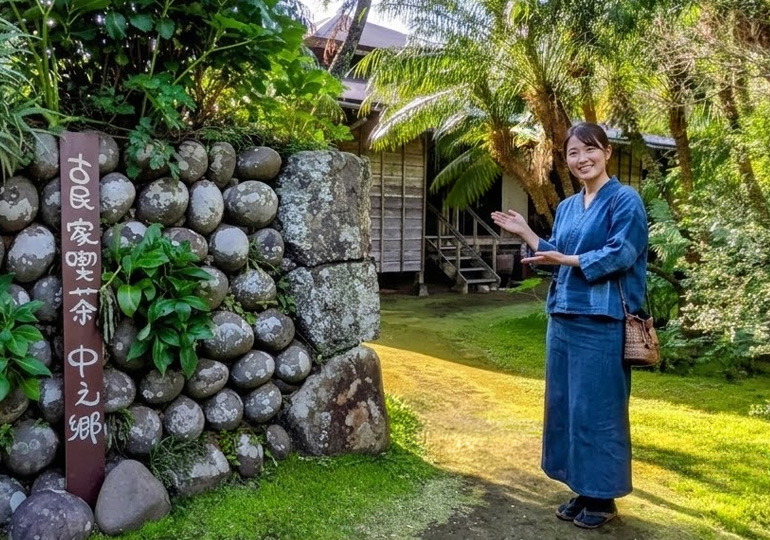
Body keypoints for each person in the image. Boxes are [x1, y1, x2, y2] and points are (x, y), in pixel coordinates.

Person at [491, 122, 649, 529]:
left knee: (599, 407)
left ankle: (603, 496)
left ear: (607, 152)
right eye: (573, 153)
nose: (582, 159)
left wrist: (565, 259)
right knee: (567, 405)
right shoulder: (565, 207)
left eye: (589, 149)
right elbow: (556, 257)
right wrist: (527, 233)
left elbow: (621, 253)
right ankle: (582, 486)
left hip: (602, 320)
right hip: (563, 317)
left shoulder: (625, 200)